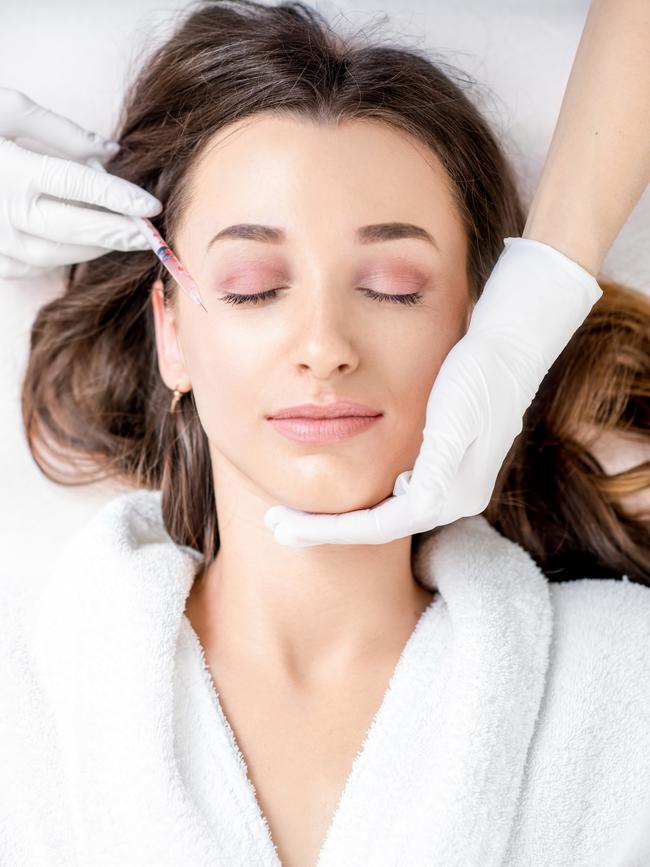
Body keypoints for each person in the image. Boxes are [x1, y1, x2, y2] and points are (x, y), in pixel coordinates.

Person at [1, 1, 649, 865]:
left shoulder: (621, 687)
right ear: (171, 334)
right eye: (253, 284)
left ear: (487, 324)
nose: (324, 349)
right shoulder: (31, 711)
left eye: (390, 285)